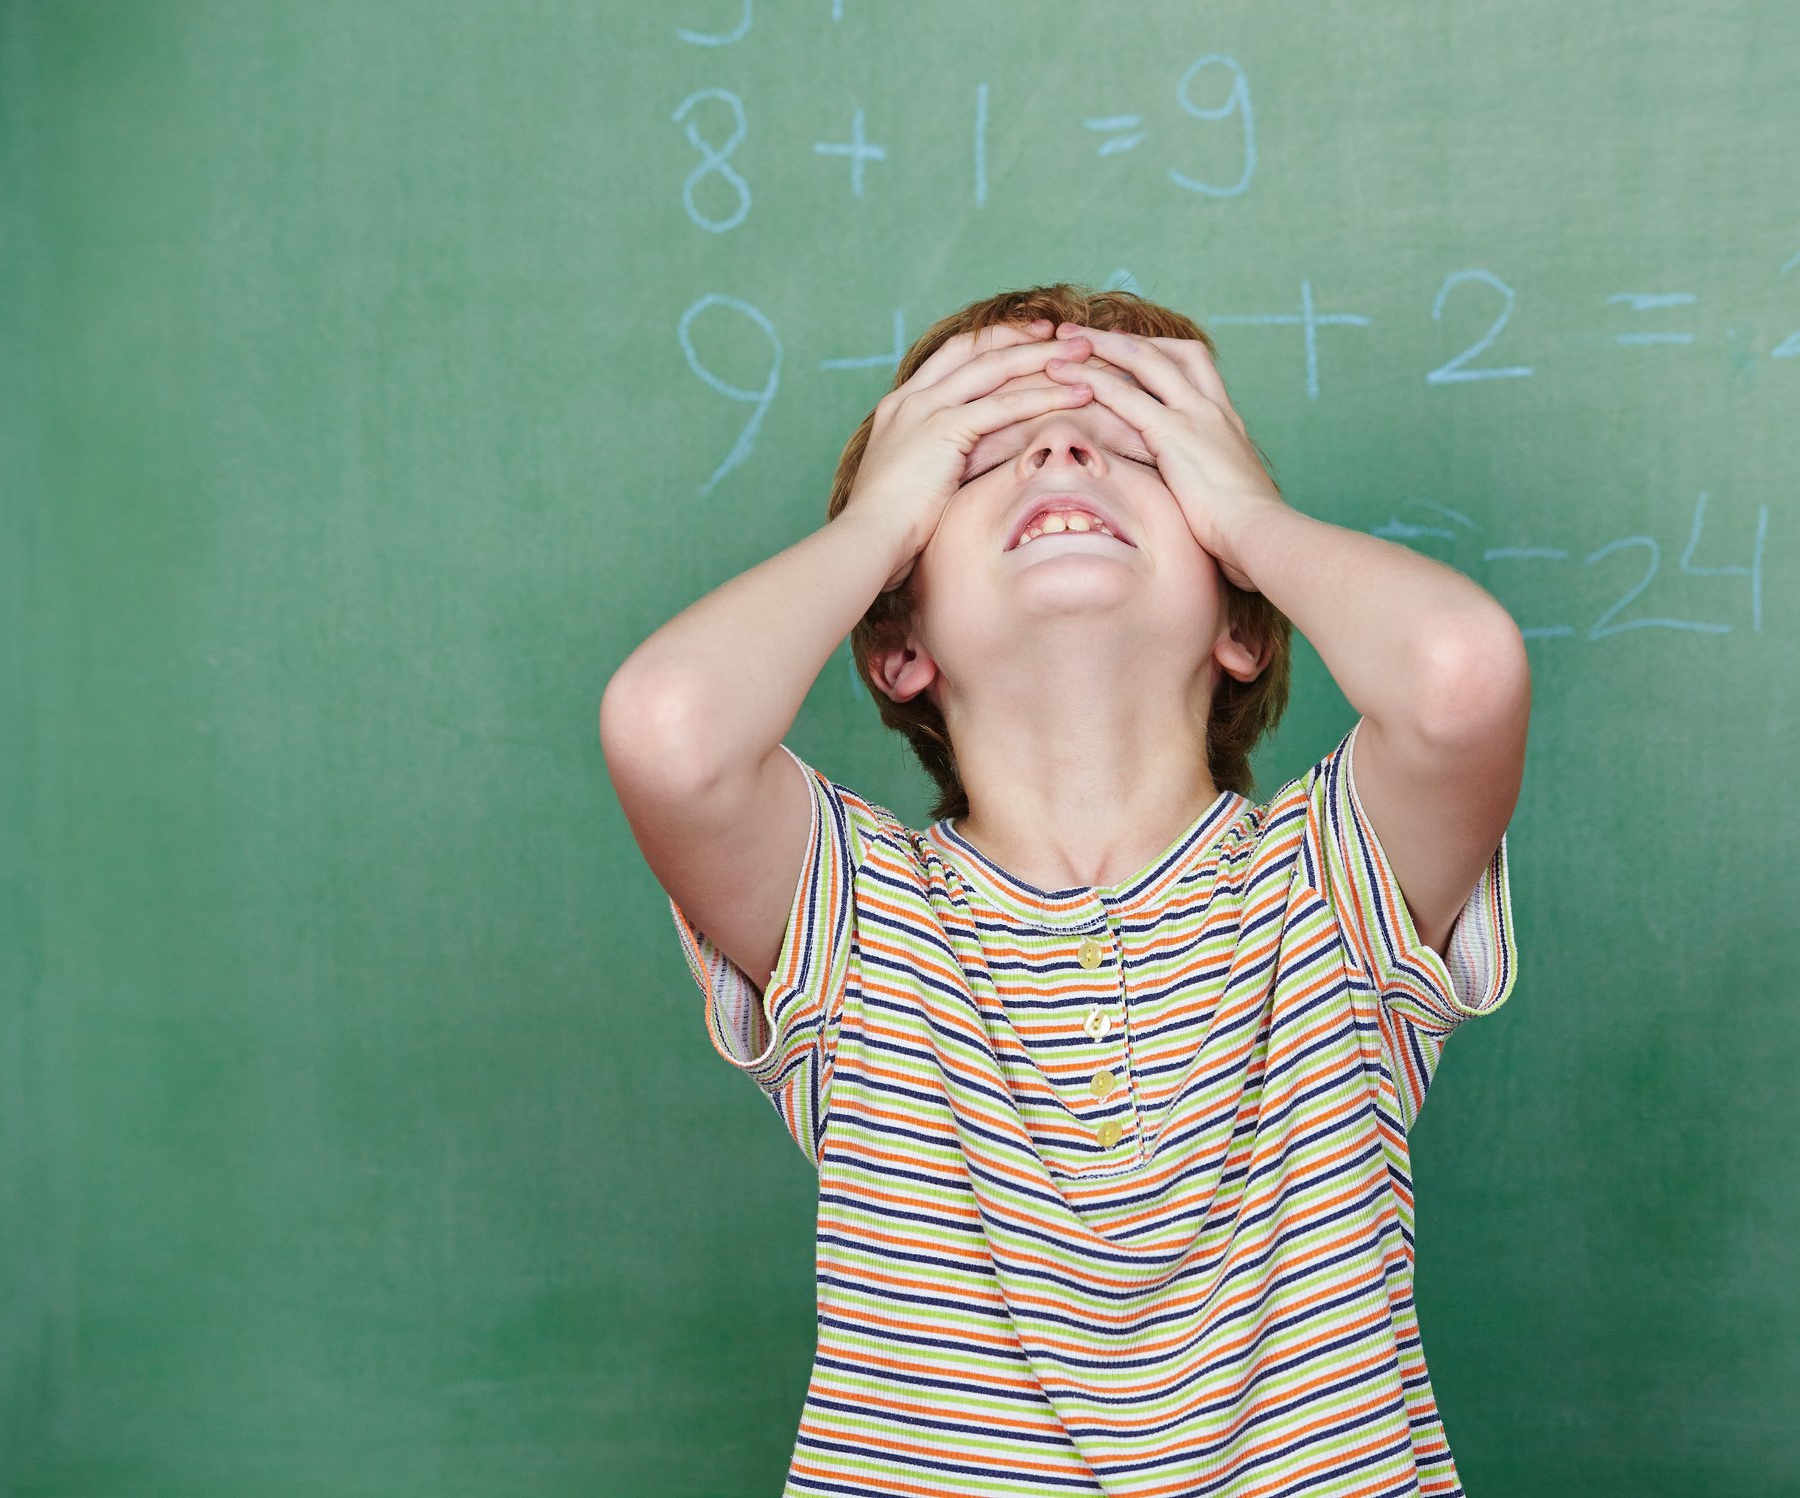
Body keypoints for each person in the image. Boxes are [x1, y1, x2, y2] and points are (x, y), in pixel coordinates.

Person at [600, 283, 1528, 1496]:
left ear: (1243, 621)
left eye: (1139, 446)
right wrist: (883, 513)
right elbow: (671, 731)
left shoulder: (1331, 883)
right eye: (981, 456)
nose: (1064, 446)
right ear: (897, 646)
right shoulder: (864, 917)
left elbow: (1459, 676)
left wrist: (1245, 506)